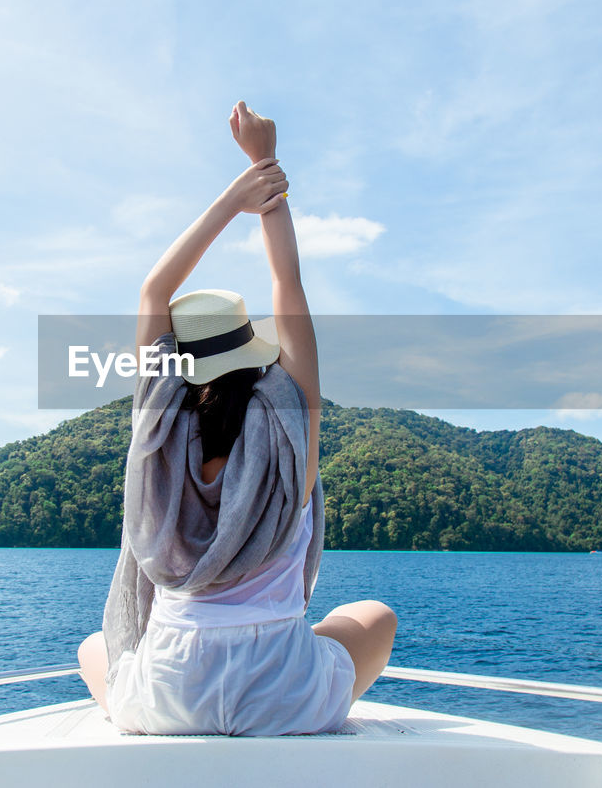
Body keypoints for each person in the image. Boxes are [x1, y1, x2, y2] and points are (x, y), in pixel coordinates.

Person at [76, 101, 396, 735]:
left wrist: (231, 198)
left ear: (176, 370)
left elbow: (152, 294)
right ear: (256, 359)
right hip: (282, 690)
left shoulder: (159, 451)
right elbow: (290, 284)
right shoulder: (289, 445)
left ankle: (132, 706)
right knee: (374, 616)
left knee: (96, 648)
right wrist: (264, 172)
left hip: (171, 691)